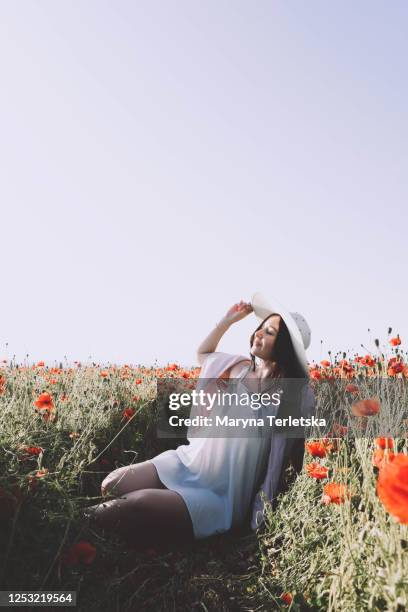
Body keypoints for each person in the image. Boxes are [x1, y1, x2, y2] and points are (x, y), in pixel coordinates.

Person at [85, 294, 313, 552]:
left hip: (220, 493)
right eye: (260, 327)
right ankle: (126, 528)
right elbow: (203, 353)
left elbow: (279, 464)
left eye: (269, 332)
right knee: (112, 485)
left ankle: (74, 526)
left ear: (284, 347)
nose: (259, 333)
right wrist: (227, 321)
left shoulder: (291, 397)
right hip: (188, 462)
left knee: (136, 504)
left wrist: (260, 517)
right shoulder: (236, 367)